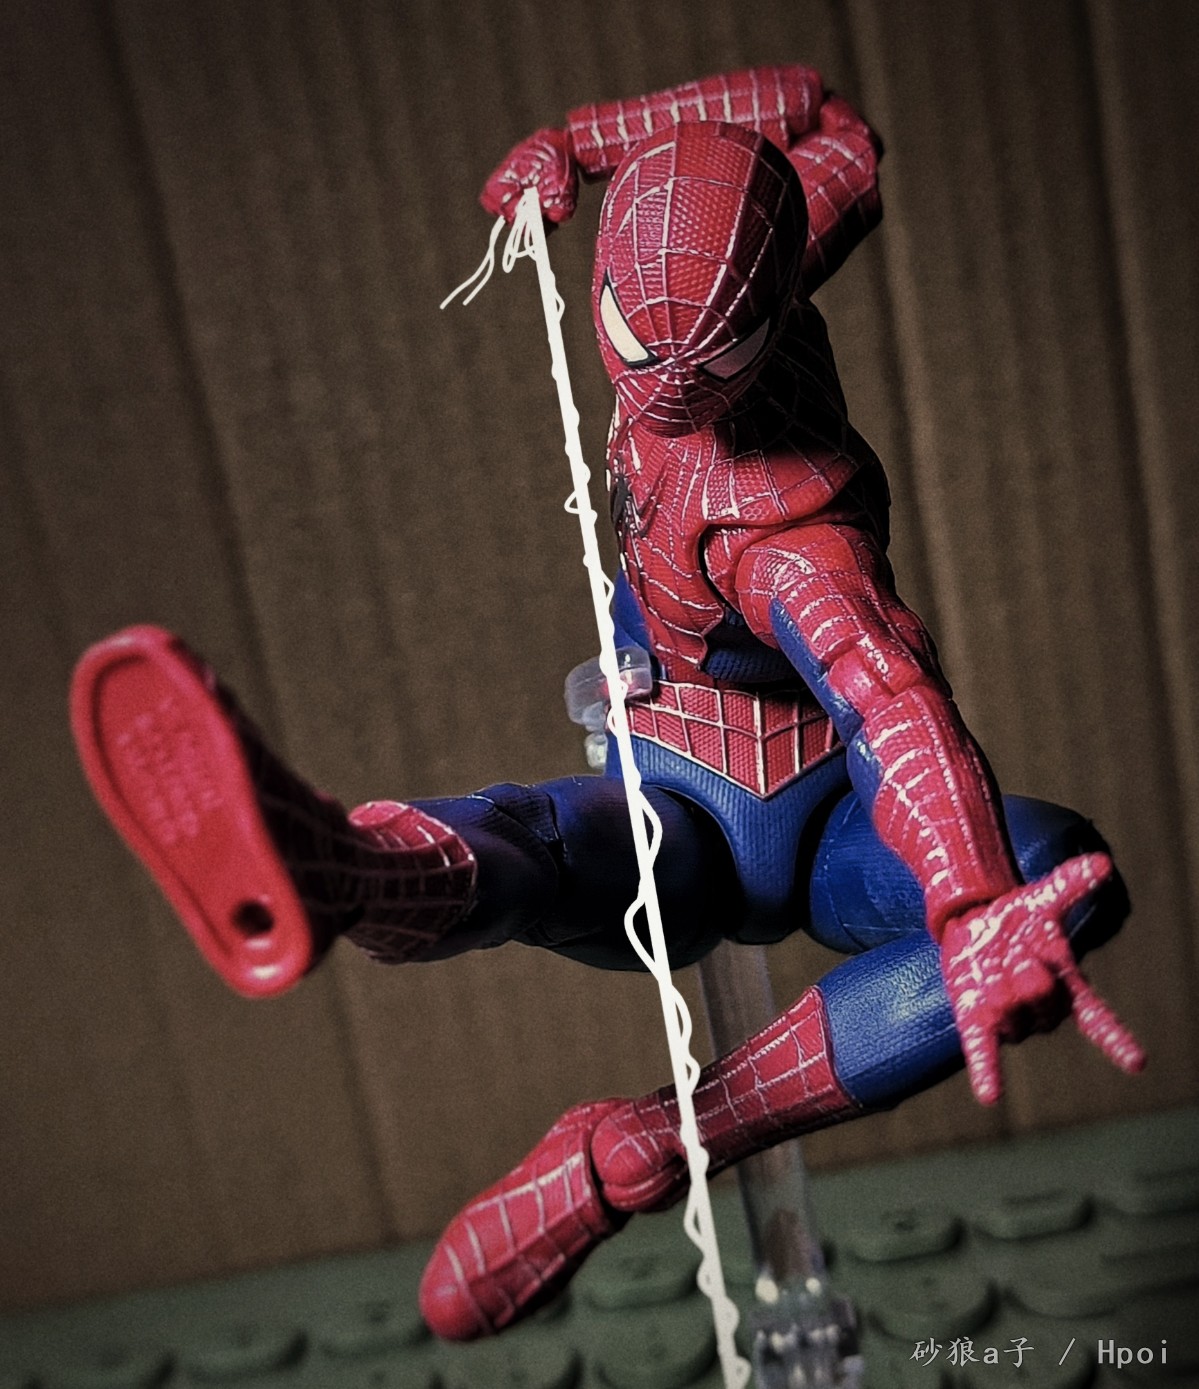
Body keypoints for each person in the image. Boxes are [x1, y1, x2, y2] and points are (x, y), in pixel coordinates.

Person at [70, 64, 1143, 1342]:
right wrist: (583, 144)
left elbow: (889, 697)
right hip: (667, 774)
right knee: (549, 845)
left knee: (1052, 882)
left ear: (758, 321)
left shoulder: (789, 542)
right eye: (640, 343)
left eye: (712, 354)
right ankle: (346, 868)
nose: (670, 385)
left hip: (812, 831)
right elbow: (828, 124)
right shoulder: (754, 265)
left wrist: (969, 902)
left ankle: (650, 1143)